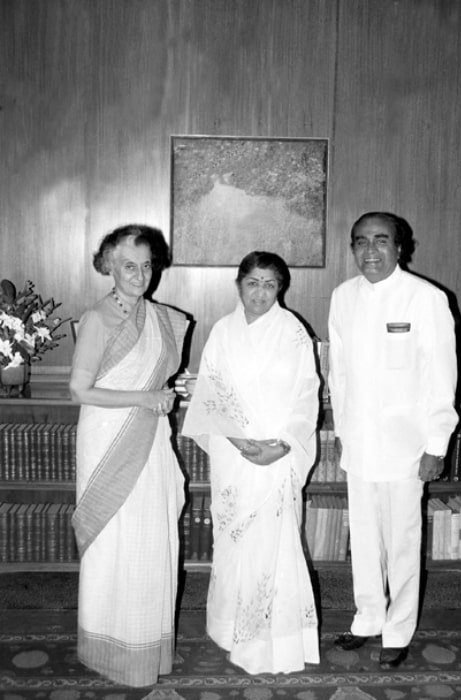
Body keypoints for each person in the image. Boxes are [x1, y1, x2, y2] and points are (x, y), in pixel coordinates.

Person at [328, 212, 458, 669]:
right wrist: (342, 433)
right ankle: (366, 618)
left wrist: (435, 445)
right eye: (360, 242)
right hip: (360, 443)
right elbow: (338, 375)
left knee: (403, 542)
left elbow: (442, 378)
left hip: (407, 446)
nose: (370, 251)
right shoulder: (343, 297)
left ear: (401, 247)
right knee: (363, 539)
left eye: (381, 241)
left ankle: (398, 629)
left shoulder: (426, 298)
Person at [181, 251, 320, 674]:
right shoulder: (223, 332)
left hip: (279, 455)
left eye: (270, 284)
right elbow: (210, 394)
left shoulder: (293, 332)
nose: (260, 293)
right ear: (239, 284)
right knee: (234, 543)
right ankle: (229, 629)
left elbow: (306, 395)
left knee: (274, 545)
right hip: (234, 455)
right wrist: (242, 443)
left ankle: (273, 641)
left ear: (281, 289)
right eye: (253, 283)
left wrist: (282, 445)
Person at [69, 224, 188, 687]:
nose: (139, 274)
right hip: (108, 443)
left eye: (145, 265)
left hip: (150, 440)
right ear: (108, 267)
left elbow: (158, 384)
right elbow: (79, 390)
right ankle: (108, 649)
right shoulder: (98, 319)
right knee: (114, 544)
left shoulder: (162, 319)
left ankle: (146, 648)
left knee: (151, 539)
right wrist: (144, 398)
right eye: (127, 266)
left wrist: (167, 394)